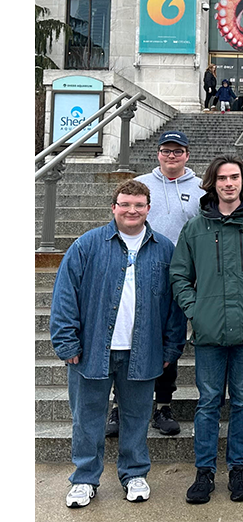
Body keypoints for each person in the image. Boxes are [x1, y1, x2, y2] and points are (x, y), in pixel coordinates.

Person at [50, 180, 186, 508]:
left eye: (139, 205)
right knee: (87, 418)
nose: (131, 210)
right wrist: (66, 342)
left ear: (148, 209)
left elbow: (174, 305)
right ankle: (84, 478)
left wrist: (171, 348)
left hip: (142, 350)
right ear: (113, 207)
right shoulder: (87, 245)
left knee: (137, 416)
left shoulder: (165, 249)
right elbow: (65, 295)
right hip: (93, 348)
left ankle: (134, 473)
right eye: (125, 204)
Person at [170, 155, 243, 504]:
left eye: (234, 177)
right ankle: (204, 471)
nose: (229, 183)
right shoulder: (195, 228)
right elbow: (179, 274)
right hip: (208, 333)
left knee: (242, 403)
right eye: (222, 178)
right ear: (213, 183)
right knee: (207, 403)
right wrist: (196, 310)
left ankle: (239, 469)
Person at [102, 131, 202, 439]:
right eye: (166, 151)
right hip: (140, 269)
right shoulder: (143, 185)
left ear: (187, 154)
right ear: (158, 154)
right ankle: (119, 406)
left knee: (169, 339)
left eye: (178, 151)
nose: (171, 156)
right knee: (129, 335)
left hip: (181, 274)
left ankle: (163, 405)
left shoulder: (200, 188)